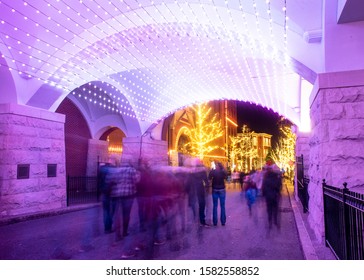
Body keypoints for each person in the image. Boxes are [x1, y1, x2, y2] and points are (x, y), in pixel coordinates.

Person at [106, 160, 140, 258]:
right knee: (126, 214)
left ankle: (117, 234)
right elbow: (136, 181)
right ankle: (125, 231)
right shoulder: (131, 170)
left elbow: (109, 181)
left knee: (117, 215)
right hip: (128, 194)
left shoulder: (116, 170)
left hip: (117, 195)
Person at [187, 158, 210, 227]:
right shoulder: (202, 171)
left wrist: (187, 191)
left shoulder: (191, 171)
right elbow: (206, 181)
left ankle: (195, 219)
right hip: (200, 189)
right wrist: (207, 188)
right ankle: (202, 221)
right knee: (202, 205)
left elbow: (188, 182)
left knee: (194, 205)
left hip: (193, 190)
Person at [262, 164, 282, 231]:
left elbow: (263, 188)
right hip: (275, 196)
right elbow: (279, 186)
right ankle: (275, 220)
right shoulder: (276, 178)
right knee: (275, 208)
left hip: (268, 196)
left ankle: (270, 221)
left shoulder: (266, 179)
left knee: (269, 209)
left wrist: (263, 195)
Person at [97, 160, 115, 233]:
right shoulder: (113, 170)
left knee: (106, 211)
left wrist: (100, 191)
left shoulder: (101, 169)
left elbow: (98, 182)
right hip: (113, 193)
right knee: (112, 211)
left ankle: (106, 228)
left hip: (104, 192)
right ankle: (109, 226)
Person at [208, 161, 228, 226]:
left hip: (215, 189)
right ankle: (223, 221)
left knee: (215, 206)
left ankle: (215, 222)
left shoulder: (213, 172)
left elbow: (209, 179)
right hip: (222, 189)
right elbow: (227, 178)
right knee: (222, 206)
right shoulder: (223, 172)